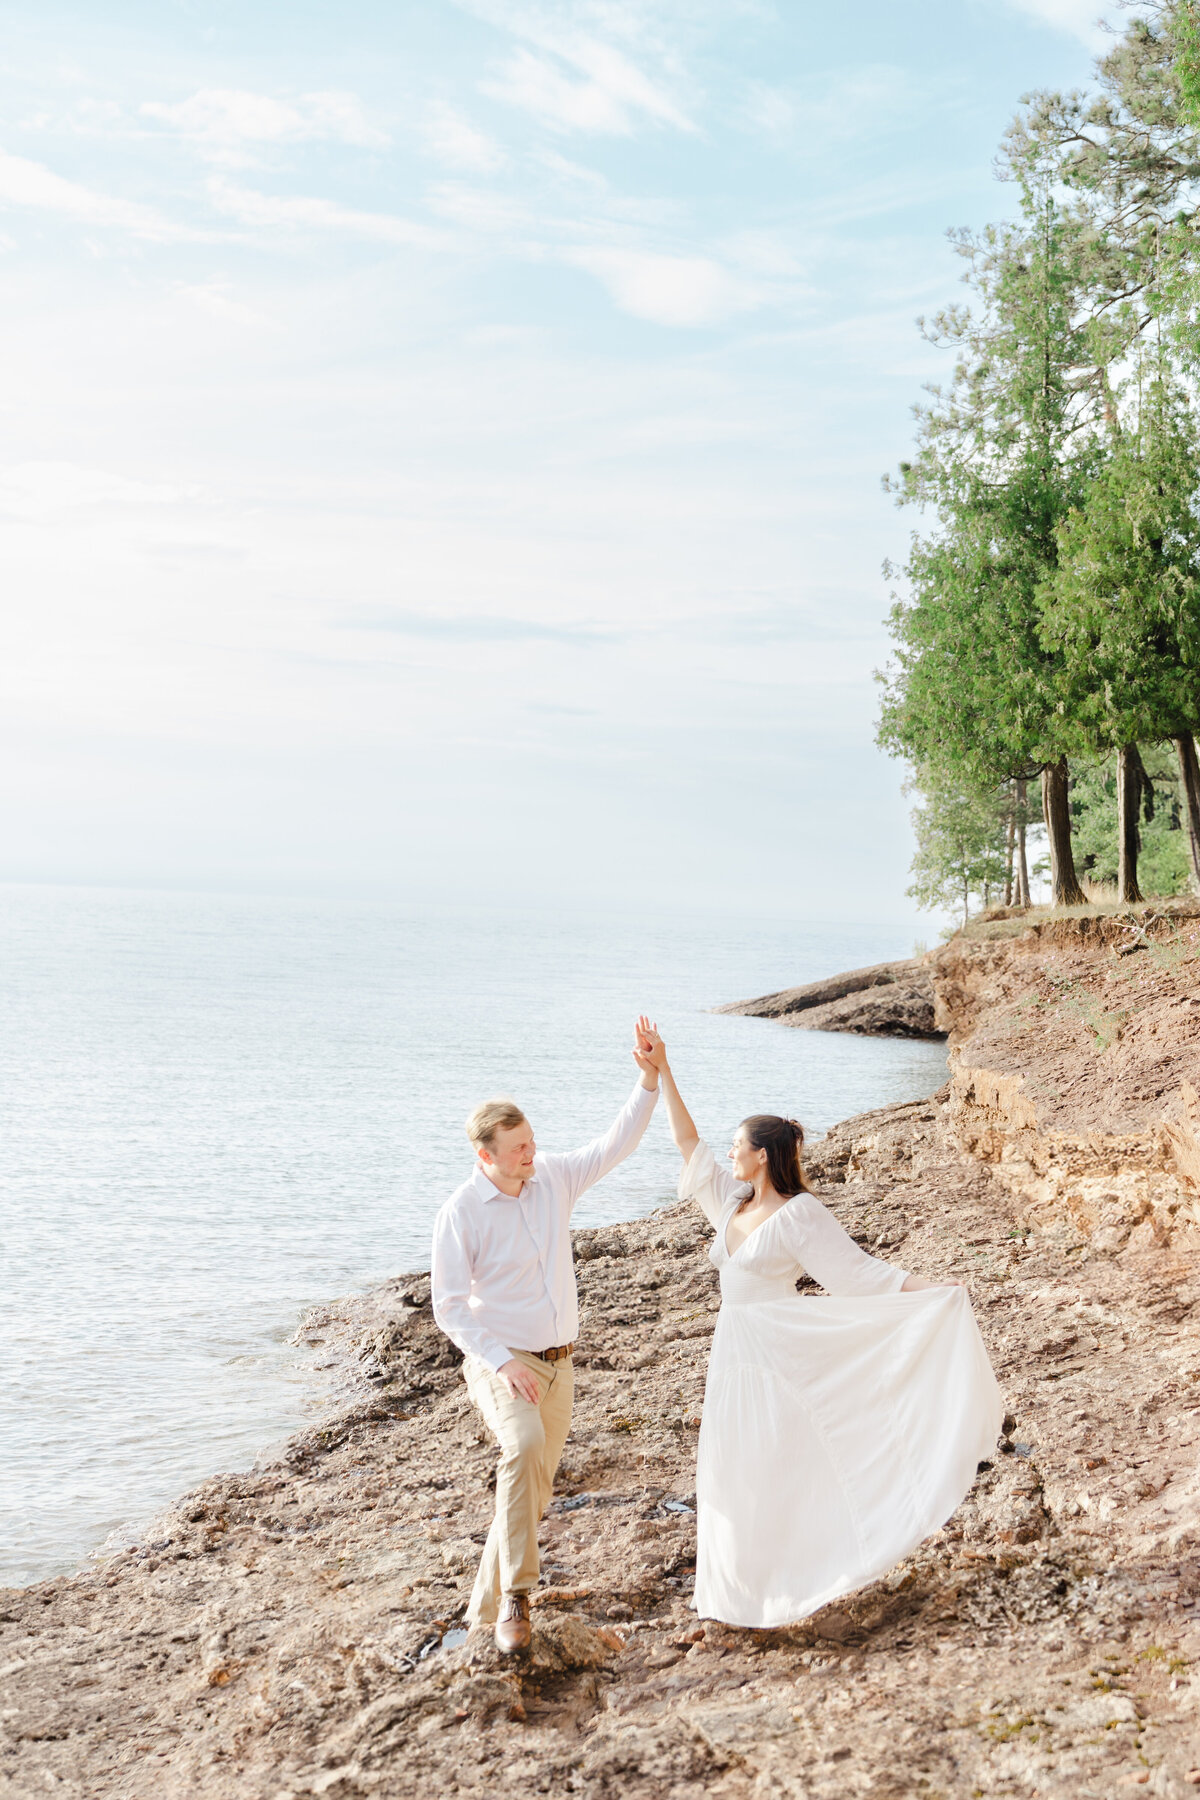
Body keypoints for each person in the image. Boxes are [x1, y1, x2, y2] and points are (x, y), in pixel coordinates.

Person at [631, 1016, 1003, 1630]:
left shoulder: (801, 1215)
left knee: (783, 1461)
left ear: (762, 1155)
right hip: (735, 1351)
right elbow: (687, 1142)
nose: (729, 1151)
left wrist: (934, 1289)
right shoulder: (731, 1199)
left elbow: (860, 1277)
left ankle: (797, 1580)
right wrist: (662, 1070)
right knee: (732, 1466)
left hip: (782, 1349)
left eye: (738, 1145)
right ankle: (737, 1593)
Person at [430, 1029, 659, 1653]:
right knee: (523, 1448)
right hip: (500, 1359)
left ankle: (479, 1619)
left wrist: (648, 1079)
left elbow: (616, 1144)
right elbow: (447, 1306)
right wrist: (503, 1362)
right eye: (519, 1147)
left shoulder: (553, 1178)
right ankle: (517, 1597)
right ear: (487, 1156)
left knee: (531, 1486)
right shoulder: (462, 1212)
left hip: (560, 1364)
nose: (533, 1151)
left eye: (532, 1141)